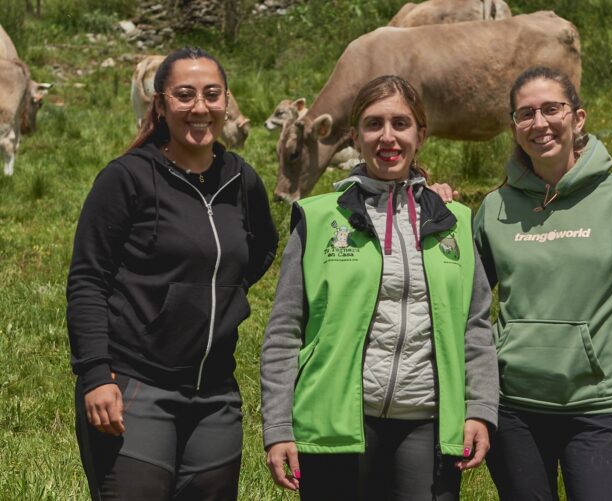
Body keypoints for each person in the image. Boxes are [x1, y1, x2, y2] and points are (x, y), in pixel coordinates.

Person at [260, 74, 499, 501]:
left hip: (427, 422)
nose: (387, 137)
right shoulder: (317, 219)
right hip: (333, 421)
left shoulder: (455, 221)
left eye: (400, 124)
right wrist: (278, 427)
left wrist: (480, 408)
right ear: (355, 136)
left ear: (421, 135)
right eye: (373, 124)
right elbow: (283, 331)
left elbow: (476, 326)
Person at [66, 47, 278, 500]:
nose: (199, 108)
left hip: (216, 397)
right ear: (160, 105)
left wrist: (213, 291)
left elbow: (260, 249)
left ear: (225, 102)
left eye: (211, 94)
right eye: (184, 95)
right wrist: (96, 375)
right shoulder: (127, 178)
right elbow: (87, 280)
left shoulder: (242, 181)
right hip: (136, 387)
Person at [473, 66, 612, 500]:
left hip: (600, 408)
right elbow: (469, 313)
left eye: (551, 109)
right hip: (514, 409)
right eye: (526, 114)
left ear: (578, 118)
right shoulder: (493, 208)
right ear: (514, 127)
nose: (539, 123)